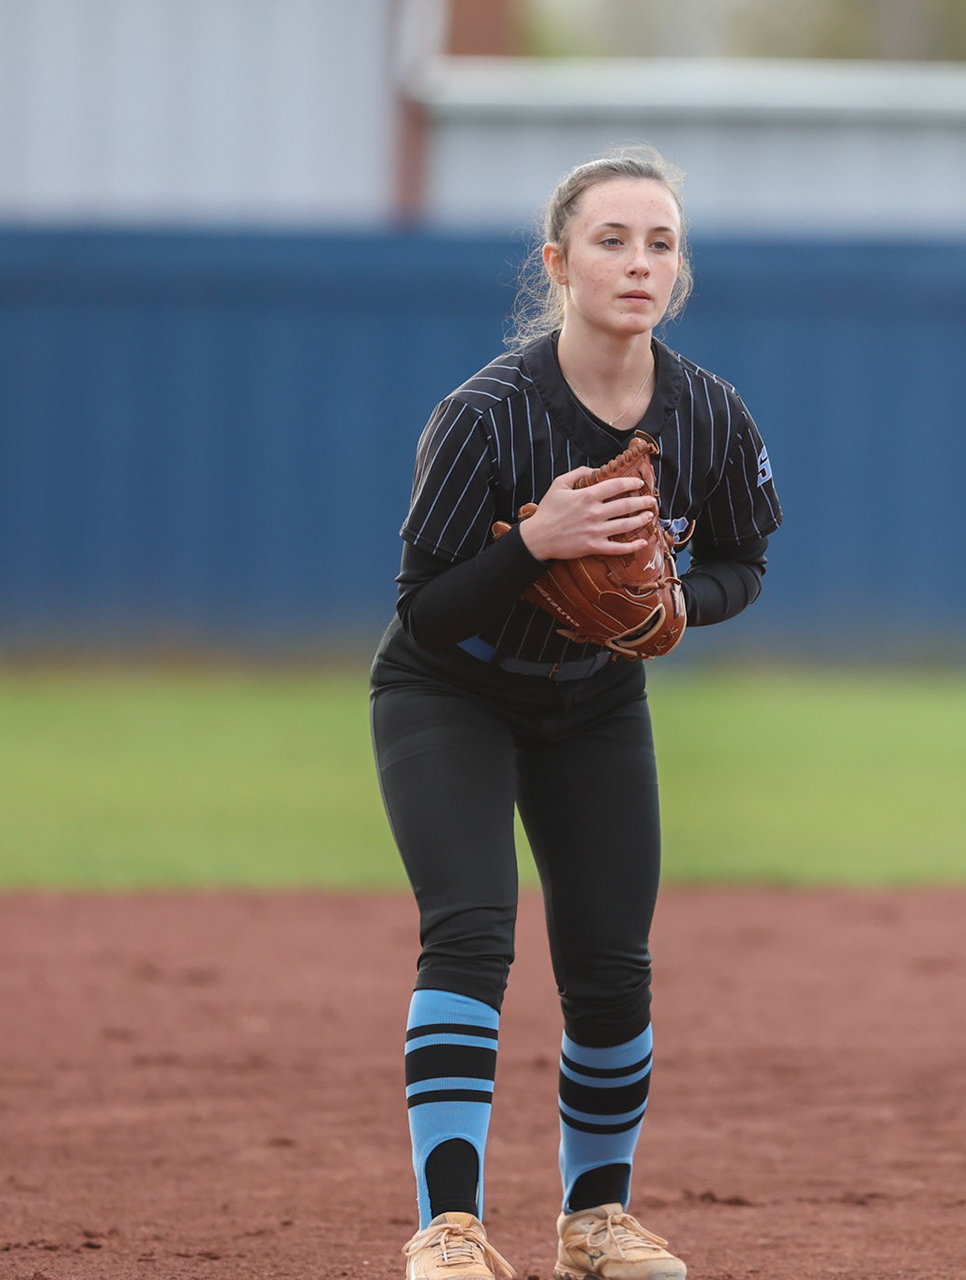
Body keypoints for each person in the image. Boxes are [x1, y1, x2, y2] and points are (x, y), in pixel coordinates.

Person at [369, 147, 782, 1280]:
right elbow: (424, 614)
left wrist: (676, 606)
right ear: (559, 263)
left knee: (609, 964)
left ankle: (595, 1222)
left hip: (595, 698)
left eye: (661, 242)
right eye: (612, 240)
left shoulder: (707, 415)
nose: (639, 262)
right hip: (450, 689)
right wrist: (534, 547)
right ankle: (449, 1227)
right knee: (471, 932)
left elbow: (744, 559)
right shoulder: (488, 416)